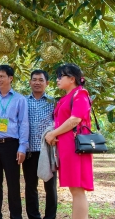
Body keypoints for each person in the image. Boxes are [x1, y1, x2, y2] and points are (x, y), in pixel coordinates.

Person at [45, 64, 93, 219]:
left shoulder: (80, 94)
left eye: (60, 76)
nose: (57, 80)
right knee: (74, 189)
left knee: (78, 189)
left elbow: (75, 120)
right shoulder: (68, 96)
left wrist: (53, 134)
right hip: (66, 149)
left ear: (72, 79)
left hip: (76, 148)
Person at [0, 65, 29, 219]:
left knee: (13, 184)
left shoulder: (19, 99)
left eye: (2, 76)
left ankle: (16, 216)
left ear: (10, 78)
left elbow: (23, 124)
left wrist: (22, 147)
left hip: (11, 145)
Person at [23, 70, 57, 219]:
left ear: (47, 83)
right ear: (30, 82)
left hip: (48, 151)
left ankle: (50, 217)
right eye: (34, 80)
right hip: (29, 151)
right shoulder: (23, 101)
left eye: (41, 80)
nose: (37, 82)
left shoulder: (53, 102)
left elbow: (58, 123)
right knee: (30, 187)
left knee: (50, 187)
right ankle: (33, 216)